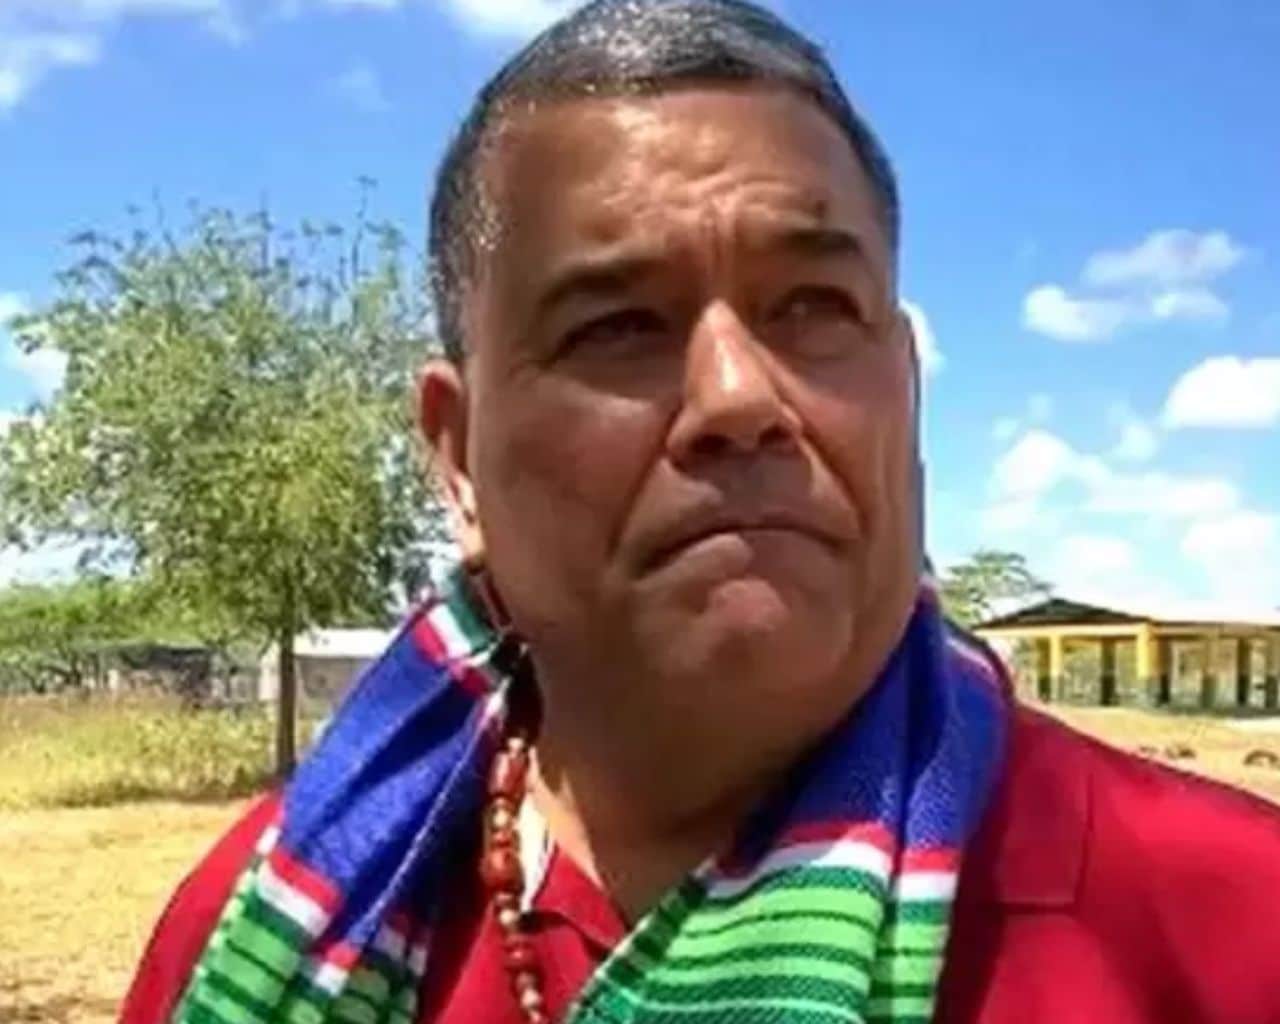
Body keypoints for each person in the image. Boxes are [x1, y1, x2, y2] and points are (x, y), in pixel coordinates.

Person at [121, 2, 1280, 1022]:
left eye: (813, 306)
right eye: (616, 325)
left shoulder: (1226, 928)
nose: (737, 397)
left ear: (905, 389)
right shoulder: (266, 939)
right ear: (458, 457)